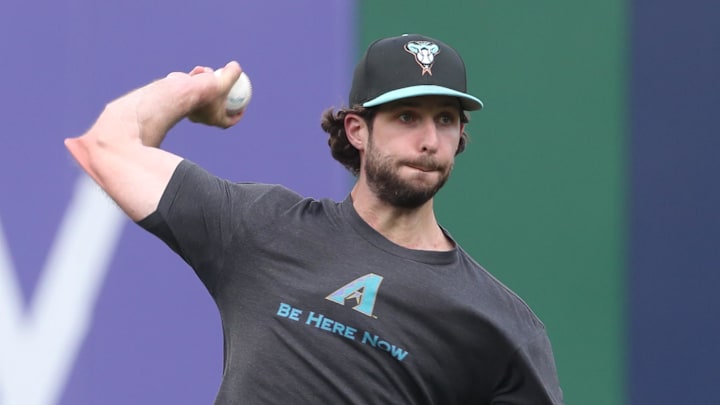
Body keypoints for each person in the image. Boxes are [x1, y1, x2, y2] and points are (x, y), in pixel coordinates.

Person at [65, 34, 563, 404]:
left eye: (446, 120)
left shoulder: (500, 325)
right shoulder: (261, 230)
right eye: (406, 117)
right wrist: (194, 92)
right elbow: (106, 146)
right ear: (357, 130)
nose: (429, 140)